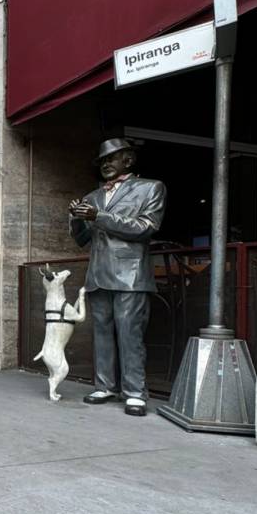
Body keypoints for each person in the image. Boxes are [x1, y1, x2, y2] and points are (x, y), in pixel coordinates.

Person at [69, 138, 166, 416]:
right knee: (101, 334)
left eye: (112, 158)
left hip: (130, 275)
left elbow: (146, 227)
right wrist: (77, 218)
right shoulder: (92, 196)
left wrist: (99, 216)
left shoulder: (151, 188)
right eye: (102, 160)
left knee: (129, 334)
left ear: (129, 160)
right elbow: (82, 239)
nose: (106, 164)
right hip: (98, 274)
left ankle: (135, 392)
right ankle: (105, 386)